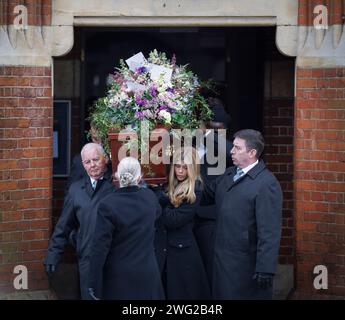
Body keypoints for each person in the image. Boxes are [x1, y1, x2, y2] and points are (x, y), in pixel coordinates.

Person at [201, 129, 282, 299]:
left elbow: (269, 231)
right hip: (222, 260)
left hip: (245, 266)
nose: (231, 151)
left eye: (237, 148)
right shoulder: (229, 174)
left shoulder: (266, 183)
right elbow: (204, 195)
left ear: (252, 153)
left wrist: (265, 269)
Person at [44, 143, 114, 299]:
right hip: (87, 259)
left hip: (112, 259)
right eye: (88, 162)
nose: (92, 165)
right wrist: (53, 254)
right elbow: (64, 226)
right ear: (83, 165)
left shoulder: (116, 187)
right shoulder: (76, 190)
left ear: (106, 159)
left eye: (96, 160)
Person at [87, 157, 164, 300]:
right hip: (148, 274)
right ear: (140, 177)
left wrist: (94, 284)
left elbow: (99, 249)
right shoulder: (150, 198)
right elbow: (158, 215)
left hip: (119, 277)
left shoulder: (107, 204)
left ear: (116, 175)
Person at [154, 147, 210, 299]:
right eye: (177, 166)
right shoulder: (169, 185)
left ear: (192, 169)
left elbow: (172, 220)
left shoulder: (196, 189)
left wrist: (160, 202)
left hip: (182, 253)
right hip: (166, 249)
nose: (180, 171)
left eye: (185, 168)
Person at [194, 97, 233, 288]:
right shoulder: (189, 145)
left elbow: (230, 151)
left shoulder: (227, 149)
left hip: (210, 218)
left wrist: (209, 134)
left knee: (211, 269)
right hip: (187, 215)